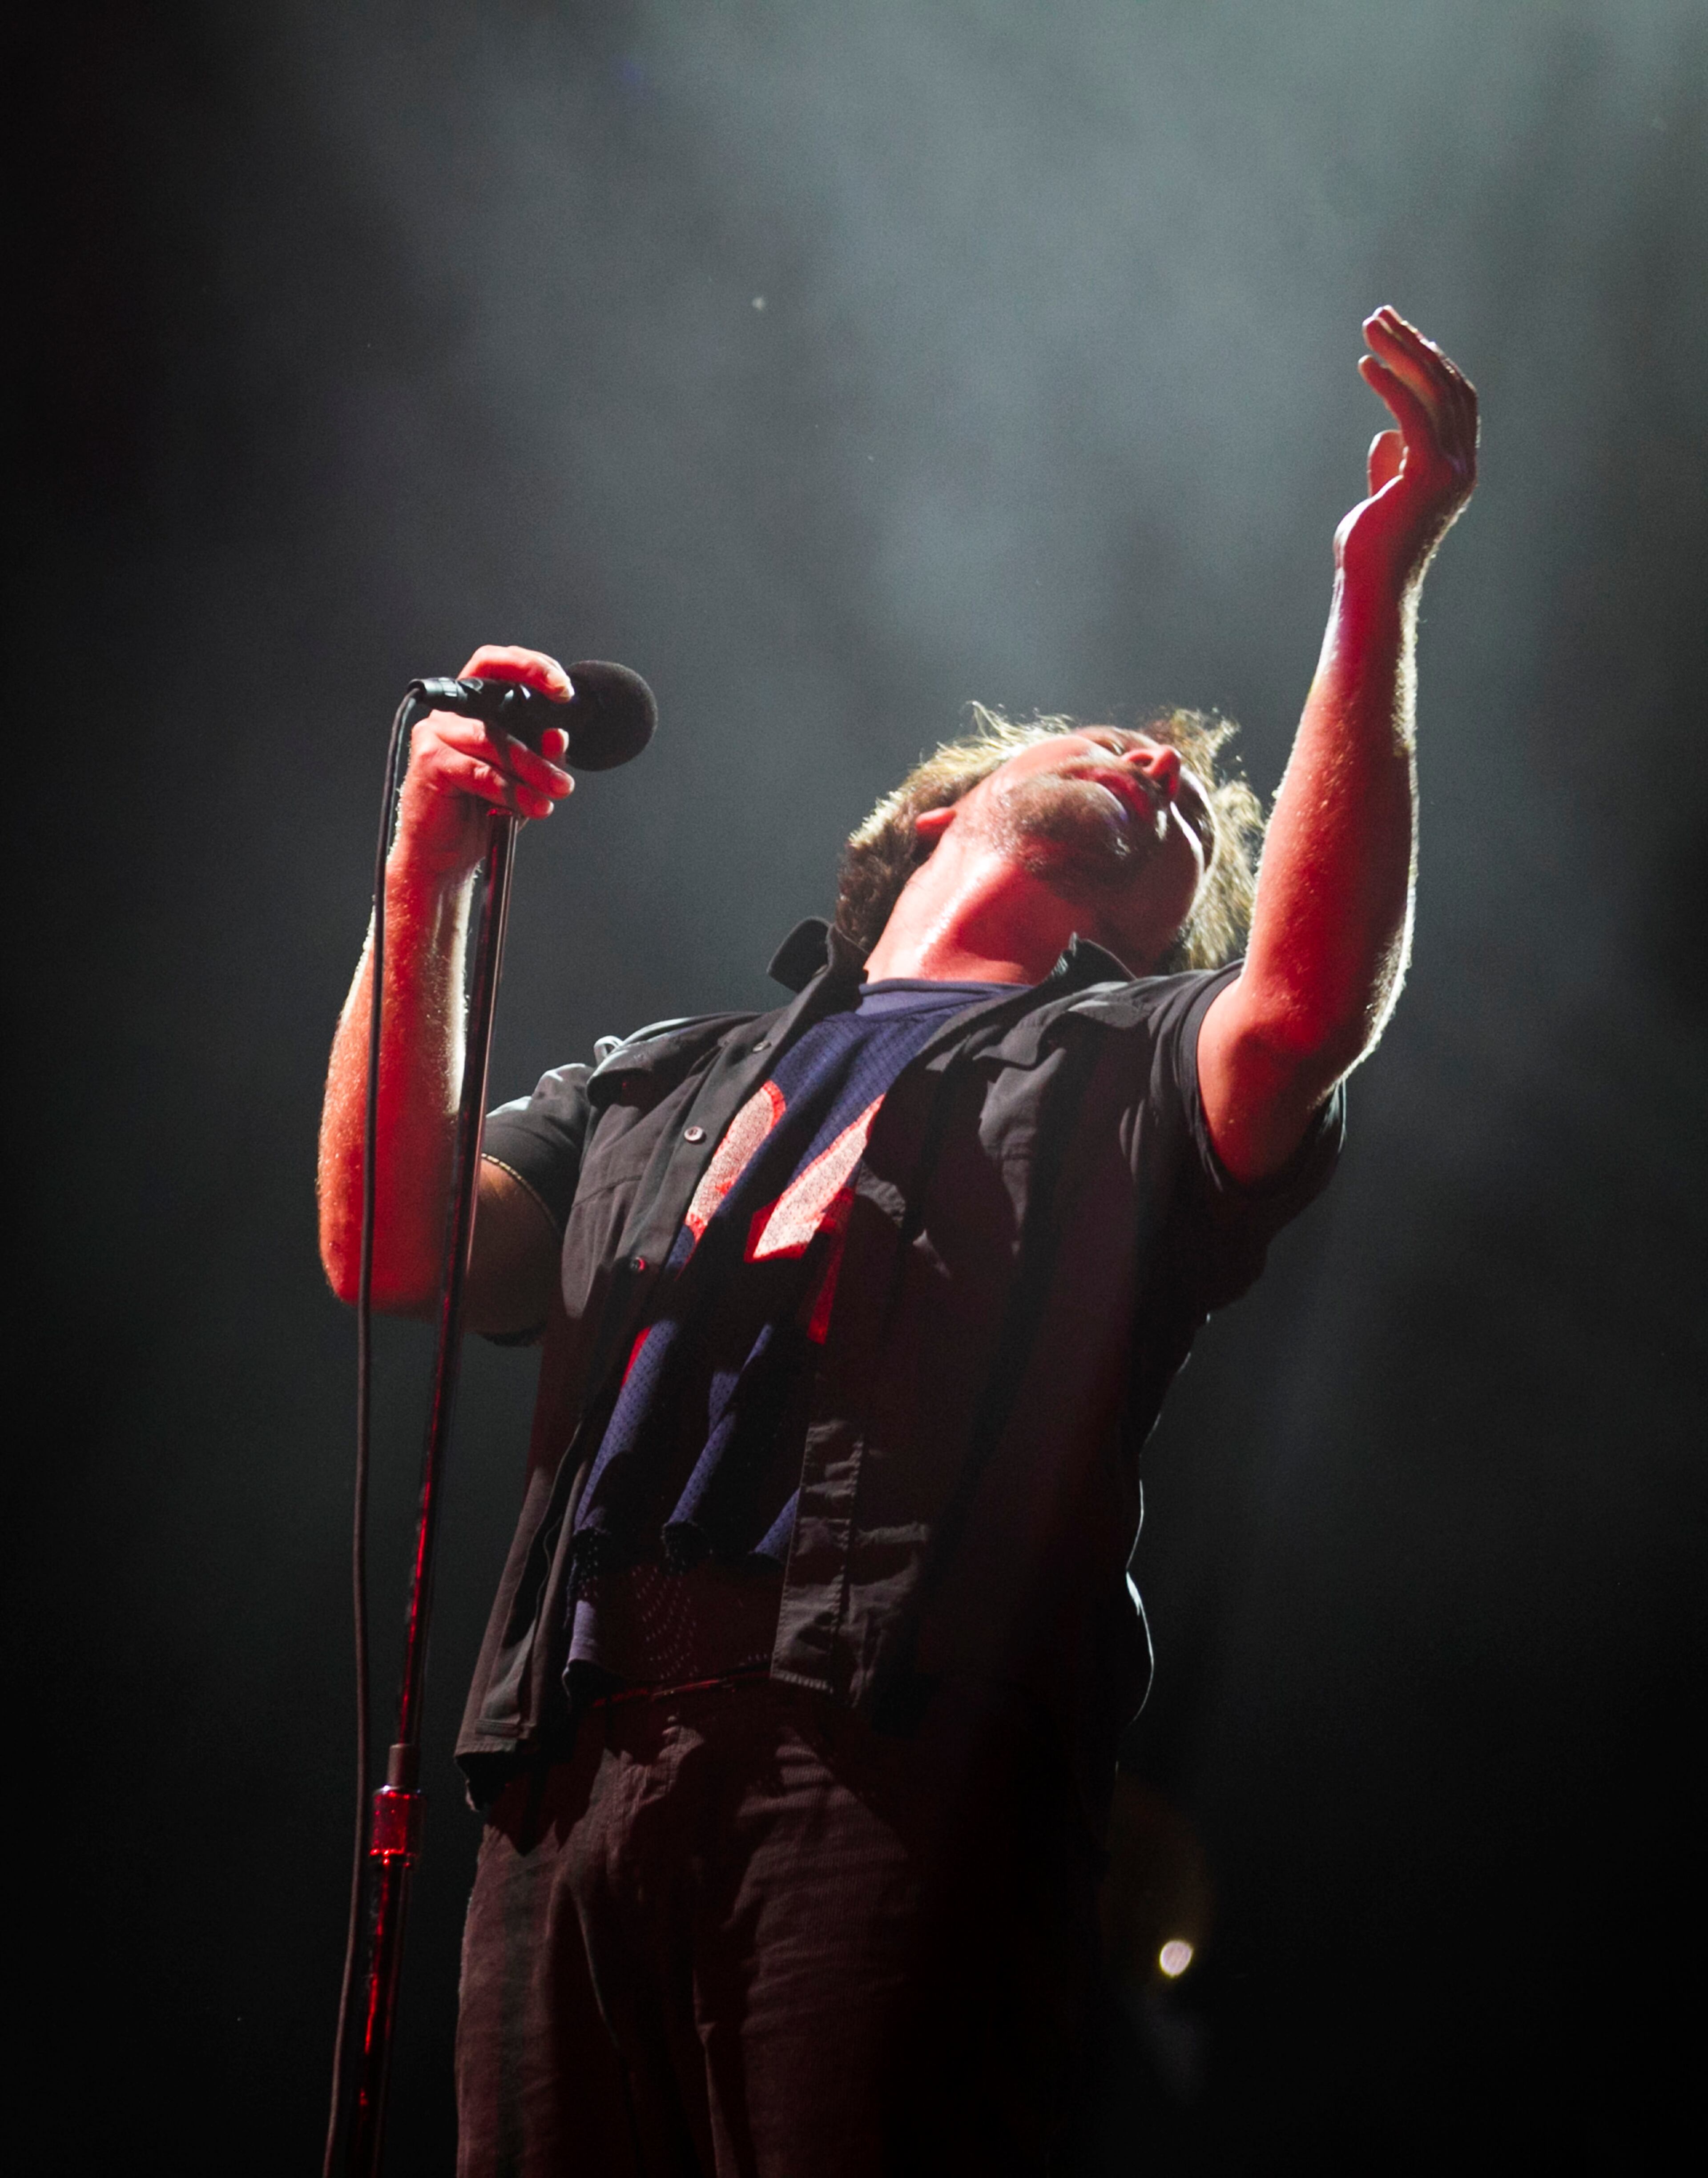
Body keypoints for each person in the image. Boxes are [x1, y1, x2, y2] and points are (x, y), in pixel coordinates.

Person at [318, 307, 1477, 2175]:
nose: (1168, 772)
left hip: (887, 1774)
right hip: (564, 1793)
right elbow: (391, 1243)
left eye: (1197, 820)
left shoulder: (1121, 1071)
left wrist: (1378, 586)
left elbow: (1309, 1004)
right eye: (1130, 744)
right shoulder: (657, 1083)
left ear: (1166, 939)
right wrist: (425, 879)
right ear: (940, 808)